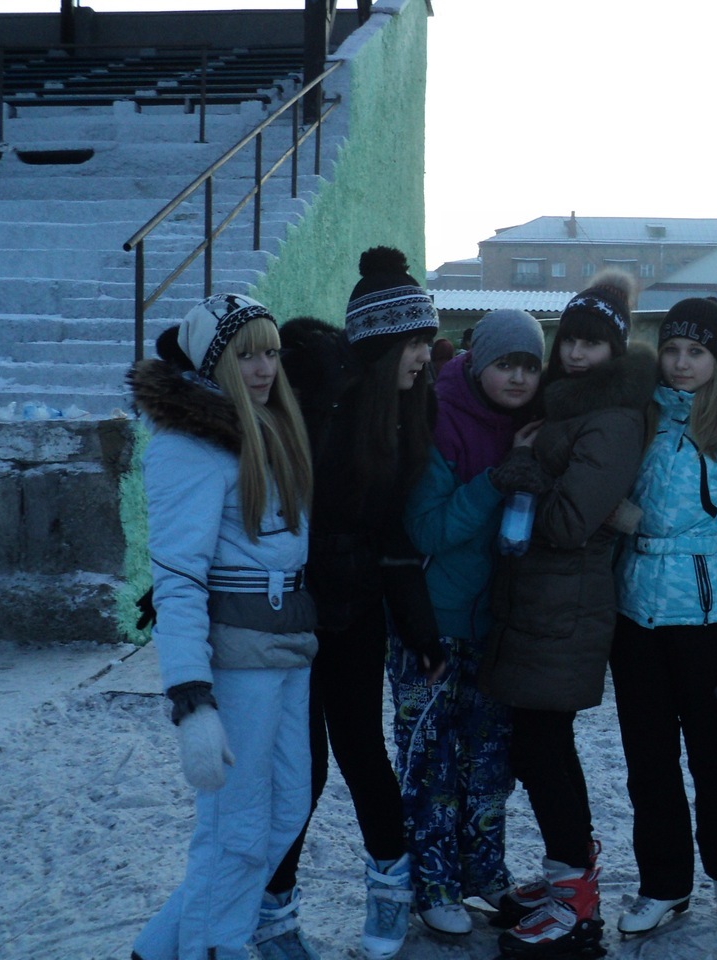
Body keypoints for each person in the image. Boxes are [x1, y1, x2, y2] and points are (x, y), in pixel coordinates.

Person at [258, 247, 448, 960]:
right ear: (381, 344)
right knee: (299, 769)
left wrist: (421, 631)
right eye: (415, 343)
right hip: (294, 611)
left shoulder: (404, 412)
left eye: (427, 342)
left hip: (357, 612)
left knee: (363, 752)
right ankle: (273, 913)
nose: (425, 357)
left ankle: (390, 892)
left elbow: (391, 532)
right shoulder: (317, 406)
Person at [128, 294, 317, 960]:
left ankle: (157, 950)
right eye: (246, 356)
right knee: (235, 829)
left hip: (289, 644)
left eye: (271, 353)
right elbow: (177, 579)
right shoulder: (189, 446)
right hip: (236, 658)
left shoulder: (269, 426)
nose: (263, 369)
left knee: (287, 809)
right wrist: (192, 698)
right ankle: (216, 948)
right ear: (213, 364)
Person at [478, 270, 657, 958]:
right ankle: (564, 875)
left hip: (566, 608)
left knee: (546, 751)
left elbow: (567, 521)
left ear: (615, 350)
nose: (577, 353)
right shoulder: (572, 407)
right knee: (536, 747)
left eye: (592, 343)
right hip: (540, 602)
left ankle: (577, 902)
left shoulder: (612, 419)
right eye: (570, 340)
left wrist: (524, 467)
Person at [608, 297, 717, 935]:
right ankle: (664, 883)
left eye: (696, 352)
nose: (682, 364)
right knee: (648, 759)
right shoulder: (642, 416)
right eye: (673, 350)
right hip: (636, 616)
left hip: (709, 621)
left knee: (713, 754)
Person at [397, 309, 547, 935]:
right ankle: (432, 884)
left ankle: (484, 871)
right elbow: (426, 529)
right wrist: (493, 481)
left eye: (530, 366)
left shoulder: (528, 424)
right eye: (505, 364)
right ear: (480, 362)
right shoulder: (440, 418)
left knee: (488, 760)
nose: (518, 378)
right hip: (432, 624)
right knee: (430, 761)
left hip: (494, 623)